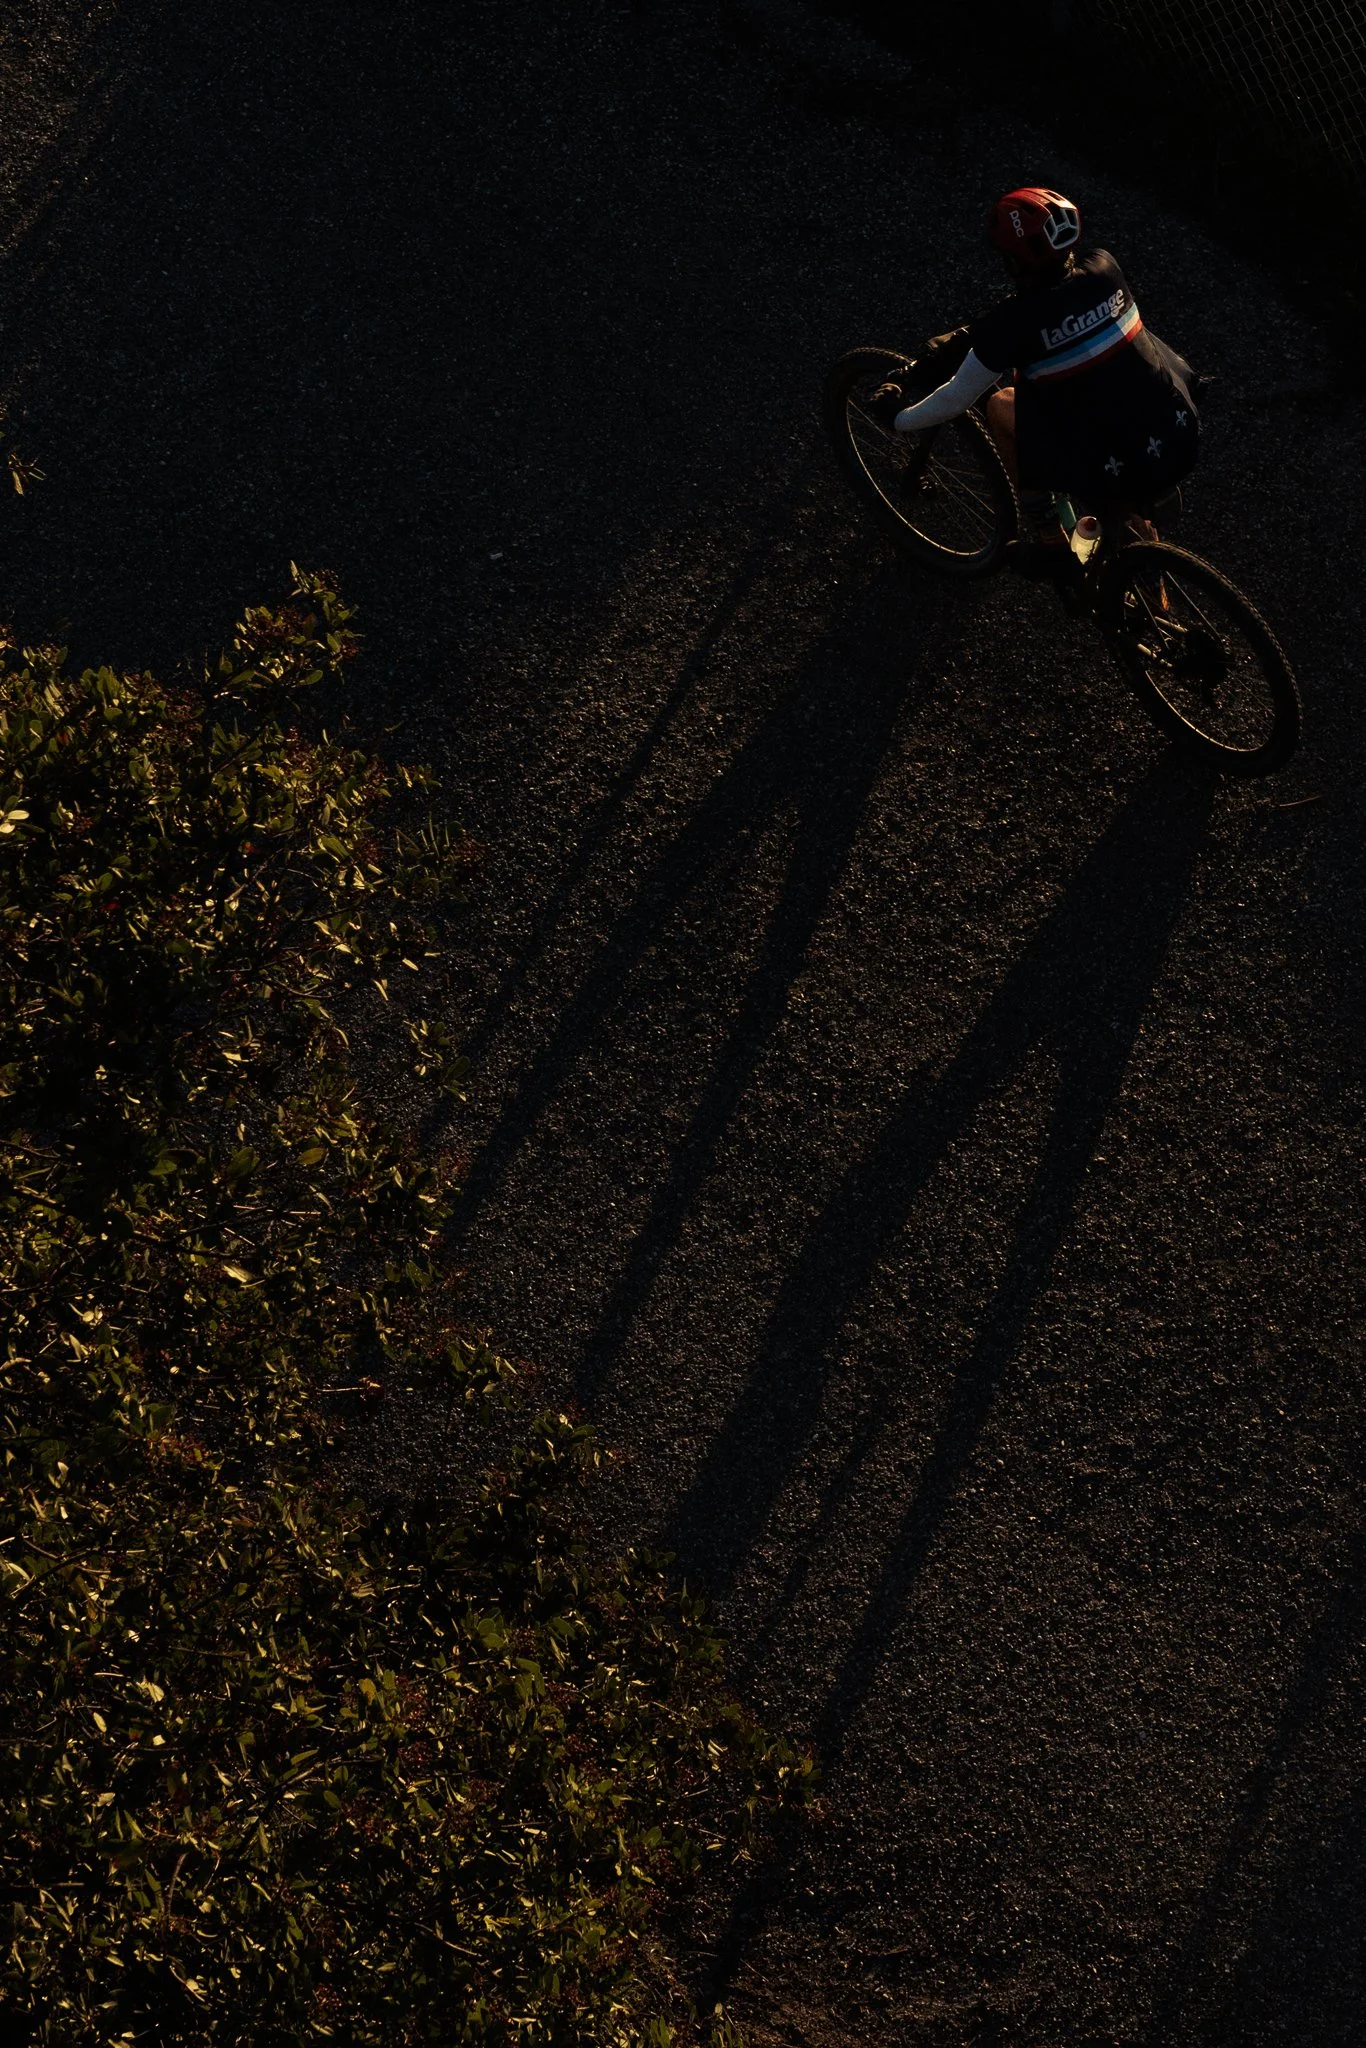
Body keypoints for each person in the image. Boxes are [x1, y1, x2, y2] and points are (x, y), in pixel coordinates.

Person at [872, 187, 1200, 556]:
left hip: (1114, 464)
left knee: (1001, 404)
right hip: (1177, 431)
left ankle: (1052, 542)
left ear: (1012, 262)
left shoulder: (1013, 326)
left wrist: (898, 419)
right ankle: (1148, 573)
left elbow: (955, 399)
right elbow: (1055, 310)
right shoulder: (1104, 269)